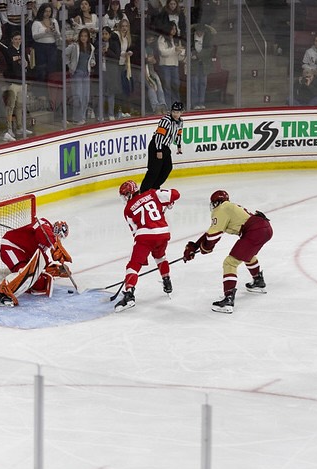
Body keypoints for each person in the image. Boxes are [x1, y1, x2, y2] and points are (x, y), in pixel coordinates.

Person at [183, 190, 273, 314]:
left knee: (230, 263)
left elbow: (213, 236)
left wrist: (206, 248)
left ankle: (228, 299)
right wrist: (196, 246)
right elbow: (211, 232)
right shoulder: (228, 207)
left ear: (216, 202)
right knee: (247, 254)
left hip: (255, 231)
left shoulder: (220, 209)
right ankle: (258, 281)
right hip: (265, 228)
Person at [114, 180, 180, 312]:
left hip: (145, 236)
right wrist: (169, 202)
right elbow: (176, 194)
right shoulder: (152, 193)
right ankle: (167, 281)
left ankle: (129, 295)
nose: (124, 198)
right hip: (163, 232)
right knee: (160, 256)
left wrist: (141, 256)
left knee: (133, 265)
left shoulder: (127, 209)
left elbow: (135, 232)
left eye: (125, 195)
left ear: (129, 194)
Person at [0, 218, 72, 307]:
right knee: (26, 272)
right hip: (11, 247)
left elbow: (42, 261)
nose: (59, 238)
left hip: (23, 255)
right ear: (56, 230)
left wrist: (57, 269)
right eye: (59, 235)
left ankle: (9, 292)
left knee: (39, 283)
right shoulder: (44, 224)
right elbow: (43, 232)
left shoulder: (46, 244)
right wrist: (54, 244)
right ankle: (1, 293)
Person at [140, 100, 182, 192]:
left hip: (166, 147)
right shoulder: (165, 121)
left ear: (181, 113)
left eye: (177, 112)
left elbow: (178, 134)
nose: (175, 114)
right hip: (156, 146)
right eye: (174, 112)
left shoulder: (180, 122)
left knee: (167, 168)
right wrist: (159, 150)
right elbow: (159, 136)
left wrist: (179, 146)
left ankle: (154, 187)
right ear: (171, 111)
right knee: (154, 171)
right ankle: (143, 191)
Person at [65, 28, 95, 125]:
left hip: (86, 74)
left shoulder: (91, 47)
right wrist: (69, 65)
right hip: (77, 74)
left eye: (85, 36)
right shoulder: (74, 46)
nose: (83, 38)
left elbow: (92, 58)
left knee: (85, 97)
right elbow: (64, 54)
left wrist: (92, 62)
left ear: (88, 37)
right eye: (82, 36)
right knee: (78, 96)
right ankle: (77, 118)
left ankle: (82, 117)